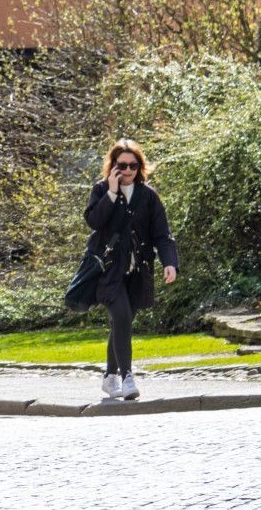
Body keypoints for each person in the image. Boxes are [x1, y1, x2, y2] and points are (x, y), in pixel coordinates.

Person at [84, 139, 179, 400]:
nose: (127, 170)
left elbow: (163, 233)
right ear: (113, 166)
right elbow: (93, 220)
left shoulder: (148, 196)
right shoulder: (101, 189)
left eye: (132, 165)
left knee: (120, 324)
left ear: (140, 167)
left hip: (138, 272)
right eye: (121, 165)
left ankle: (109, 377)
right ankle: (127, 378)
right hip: (109, 272)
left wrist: (169, 262)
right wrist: (112, 193)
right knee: (123, 318)